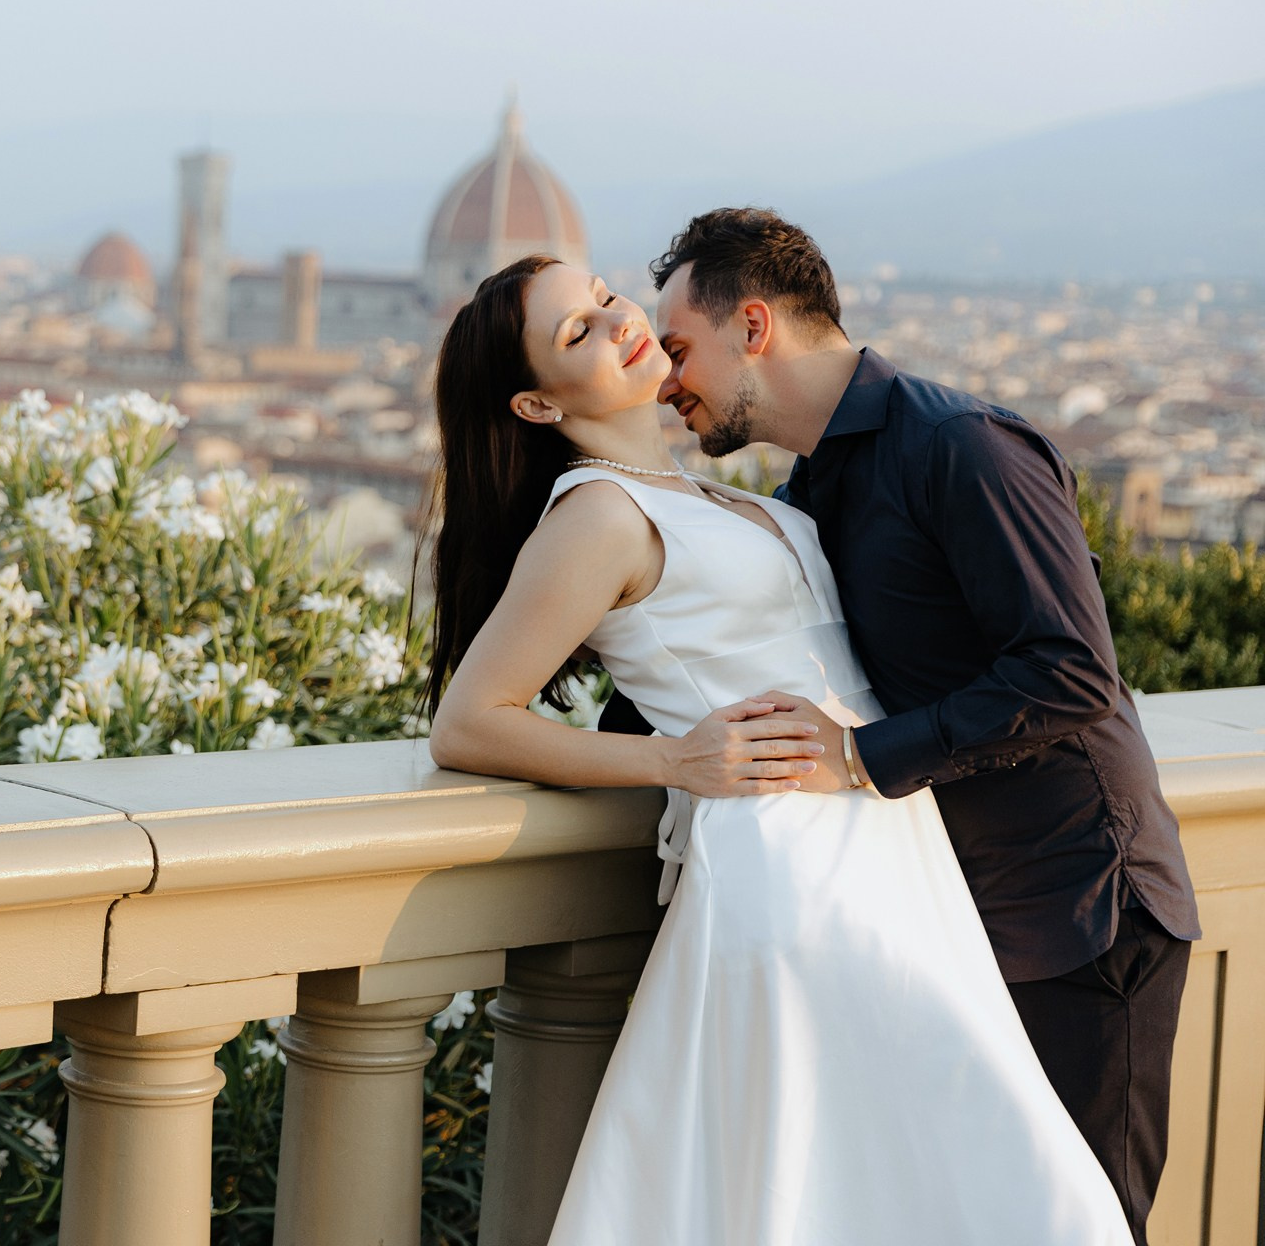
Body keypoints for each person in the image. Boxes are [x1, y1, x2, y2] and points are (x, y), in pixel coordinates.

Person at [424, 253, 1135, 1244]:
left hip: (889, 850)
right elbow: (470, 718)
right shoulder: (596, 514)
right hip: (791, 874)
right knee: (928, 1181)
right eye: (575, 331)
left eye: (601, 297)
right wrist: (674, 761)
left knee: (912, 1185)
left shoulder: (715, 495)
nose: (616, 319)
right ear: (537, 405)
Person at [648, 207, 1197, 1242]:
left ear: (753, 326)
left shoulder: (960, 445)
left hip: (1083, 912)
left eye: (679, 348)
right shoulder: (823, 483)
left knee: (1075, 1223)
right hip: (962, 917)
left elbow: (1073, 669)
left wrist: (858, 756)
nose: (666, 380)